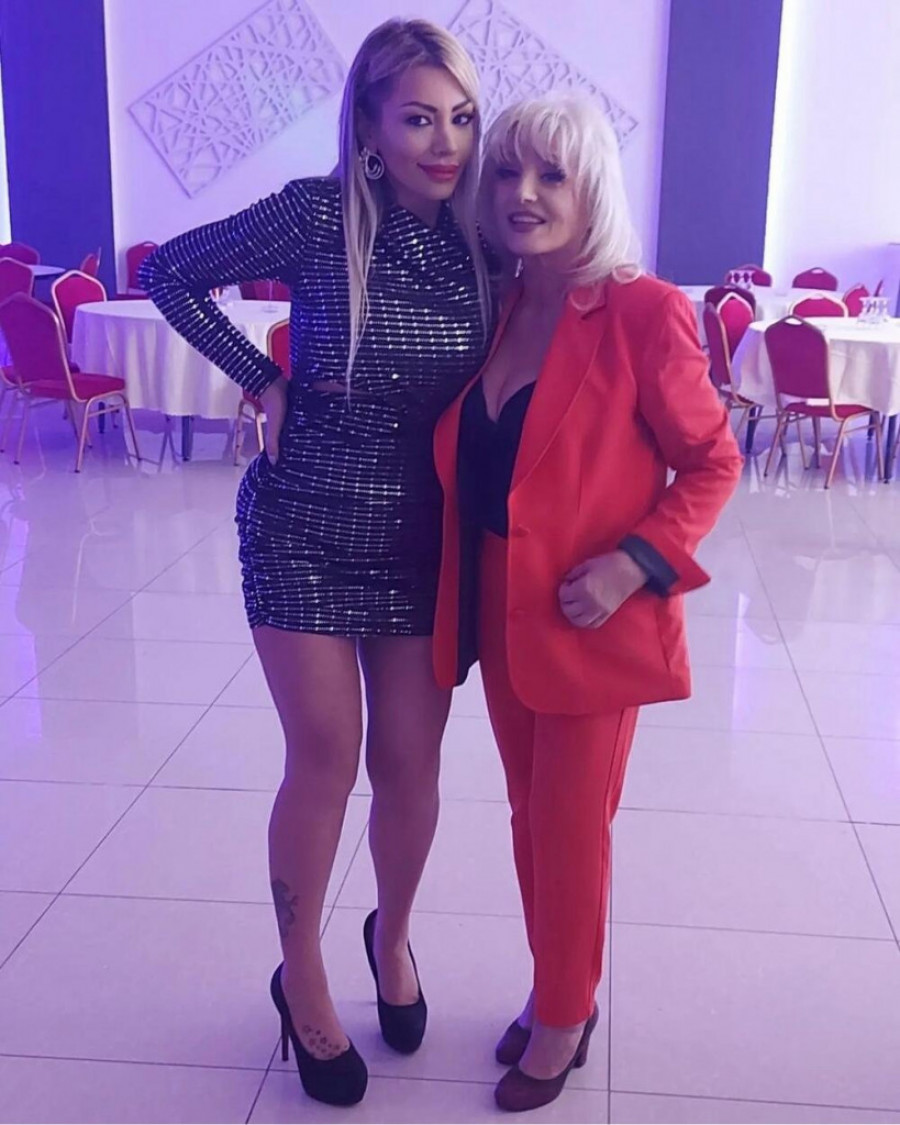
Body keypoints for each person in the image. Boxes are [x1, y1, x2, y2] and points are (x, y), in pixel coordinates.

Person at [141, 18, 492, 1108]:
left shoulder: (486, 236)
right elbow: (172, 272)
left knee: (412, 766)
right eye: (420, 118)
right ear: (371, 128)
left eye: (462, 117)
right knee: (327, 757)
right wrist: (264, 377)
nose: (446, 142)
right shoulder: (317, 212)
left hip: (425, 540)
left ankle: (392, 935)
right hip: (301, 526)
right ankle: (302, 975)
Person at [432, 95, 743, 1113]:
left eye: (551, 175)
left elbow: (714, 461)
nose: (523, 194)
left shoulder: (643, 311)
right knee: (532, 816)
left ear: (591, 187)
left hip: (590, 615)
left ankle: (566, 1011)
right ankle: (555, 983)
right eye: (508, 171)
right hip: (498, 605)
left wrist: (634, 564)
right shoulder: (498, 301)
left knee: (572, 828)